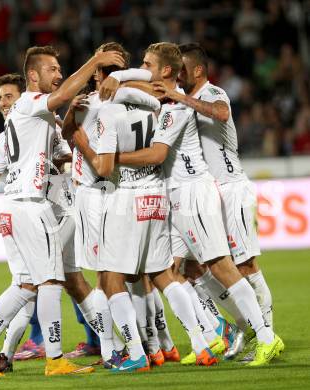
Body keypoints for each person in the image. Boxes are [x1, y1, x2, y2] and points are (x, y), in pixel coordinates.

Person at [100, 41, 283, 367]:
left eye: (148, 63)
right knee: (177, 271)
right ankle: (212, 335)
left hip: (195, 194)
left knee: (224, 267)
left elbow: (157, 154)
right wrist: (116, 80)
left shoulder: (180, 107)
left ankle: (266, 336)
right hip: (177, 198)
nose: (143, 68)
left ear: (165, 71)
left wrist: (110, 159)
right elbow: (136, 90)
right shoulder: (167, 102)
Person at [0, 45, 125, 377]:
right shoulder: (29, 104)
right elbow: (63, 94)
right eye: (52, 69)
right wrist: (95, 60)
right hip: (33, 208)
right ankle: (54, 359)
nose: (59, 74)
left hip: (22, 206)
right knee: (50, 281)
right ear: (33, 76)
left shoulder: (17, 126)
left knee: (26, 284)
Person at [73, 42, 219, 373]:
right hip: (156, 196)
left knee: (110, 278)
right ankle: (200, 343)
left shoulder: (106, 114)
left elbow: (105, 168)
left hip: (126, 198)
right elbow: (145, 81)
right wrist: (125, 76)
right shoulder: (156, 105)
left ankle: (136, 353)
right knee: (162, 274)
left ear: (102, 82)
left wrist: (83, 144)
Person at [153, 42, 283, 361]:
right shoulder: (179, 104)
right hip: (203, 193)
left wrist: (181, 97)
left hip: (230, 188)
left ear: (198, 70)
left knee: (243, 265)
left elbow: (222, 114)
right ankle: (229, 331)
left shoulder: (213, 93)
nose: (178, 73)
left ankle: (266, 334)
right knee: (191, 268)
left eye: (183, 68)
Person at [63, 42, 164, 368]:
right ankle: (153, 344)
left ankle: (121, 350)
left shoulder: (98, 104)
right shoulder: (145, 102)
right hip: (124, 193)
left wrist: (79, 137)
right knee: (138, 276)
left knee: (108, 279)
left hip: (95, 194)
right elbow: (68, 132)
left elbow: (73, 139)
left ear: (99, 72)